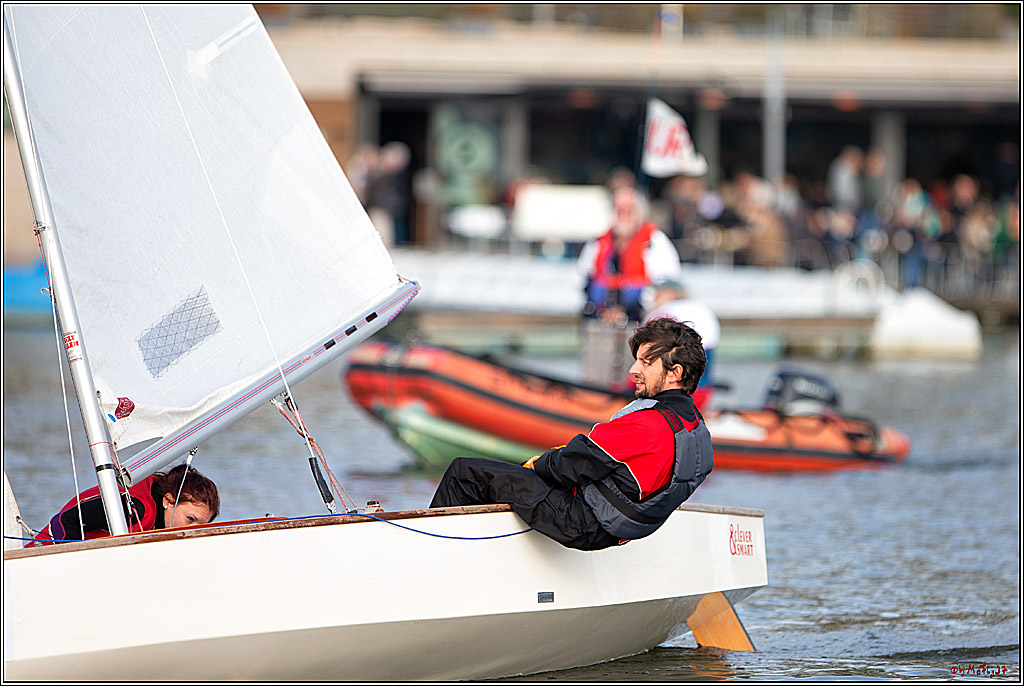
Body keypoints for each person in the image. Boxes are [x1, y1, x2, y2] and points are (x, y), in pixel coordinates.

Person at [429, 318, 713, 551]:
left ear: (674, 373)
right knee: (508, 479)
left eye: (646, 363)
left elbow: (567, 467)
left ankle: (434, 556)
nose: (633, 370)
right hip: (618, 530)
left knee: (465, 472)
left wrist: (535, 463)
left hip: (582, 523)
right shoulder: (697, 431)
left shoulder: (647, 425)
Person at [32, 463, 220, 545]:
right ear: (168, 501)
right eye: (190, 519)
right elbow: (65, 521)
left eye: (201, 526)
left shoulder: (162, 521)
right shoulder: (134, 507)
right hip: (38, 558)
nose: (192, 531)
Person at [577, 186, 683, 323]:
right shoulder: (597, 243)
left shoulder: (655, 242)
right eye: (620, 211)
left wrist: (628, 310)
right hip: (600, 321)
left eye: (630, 211)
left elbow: (668, 287)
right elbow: (583, 280)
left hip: (640, 320)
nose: (624, 216)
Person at [643, 280, 721, 410]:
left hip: (668, 394)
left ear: (669, 294)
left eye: (658, 293)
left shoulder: (664, 311)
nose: (654, 298)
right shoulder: (701, 309)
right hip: (701, 390)